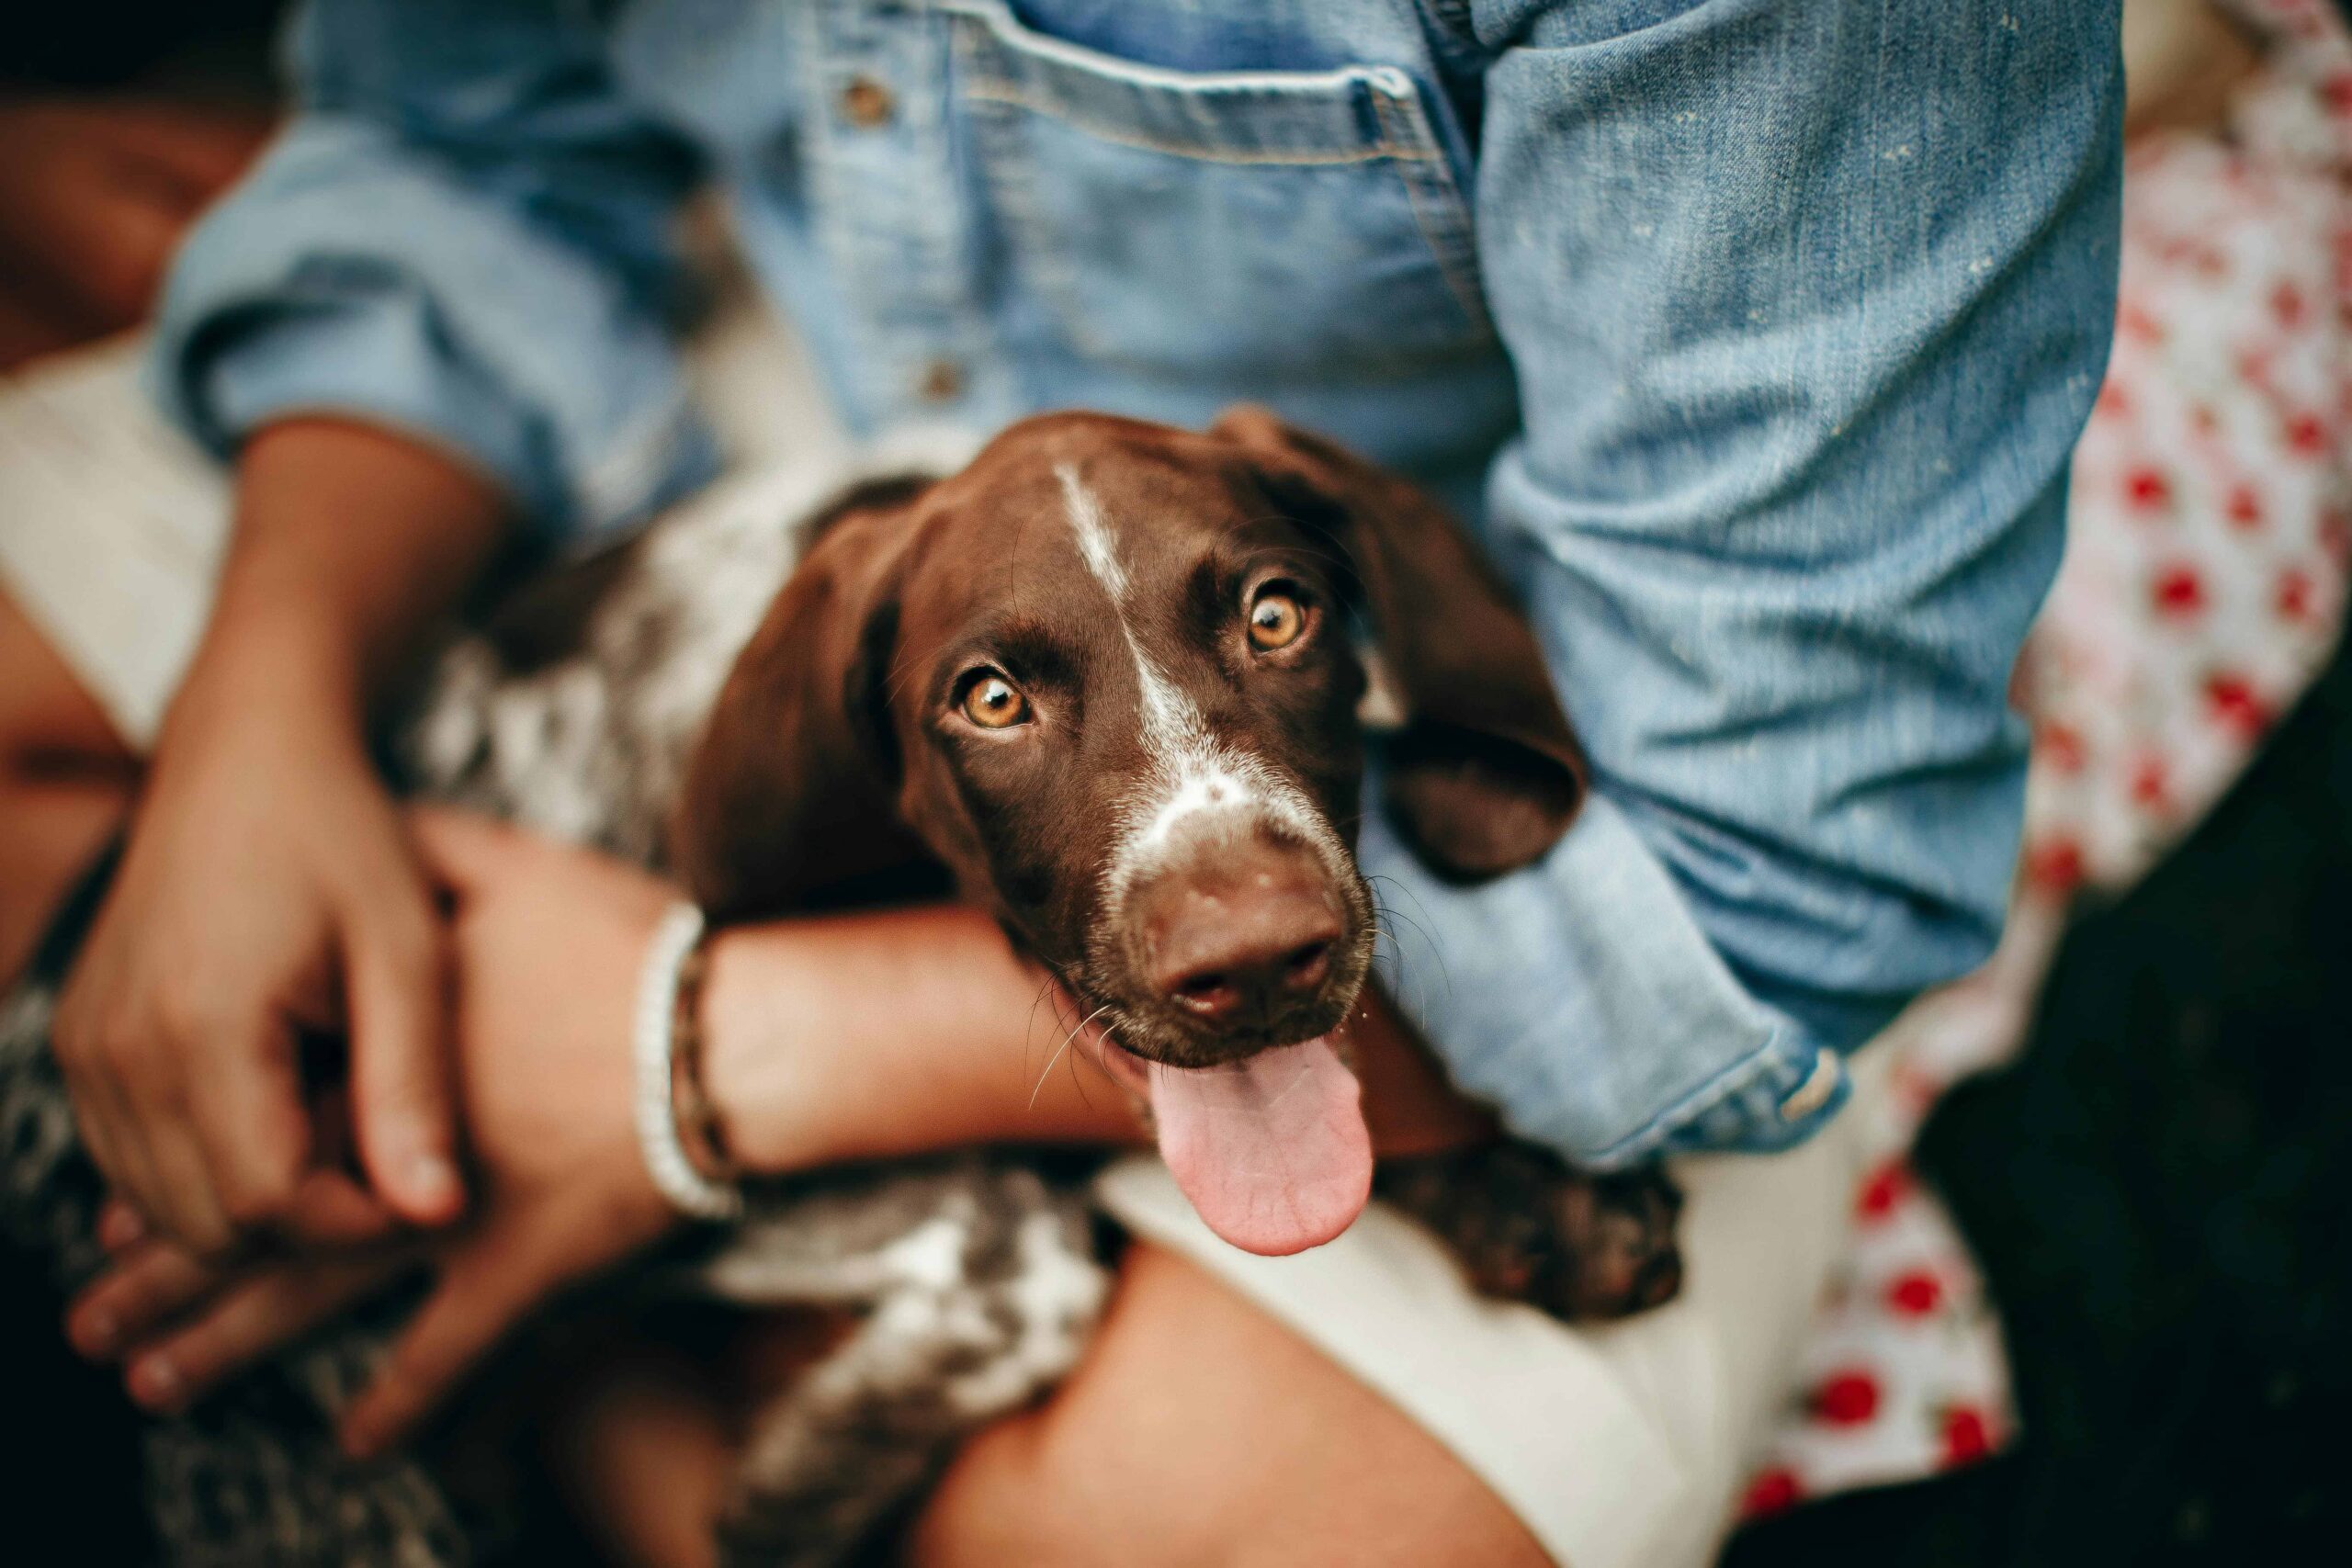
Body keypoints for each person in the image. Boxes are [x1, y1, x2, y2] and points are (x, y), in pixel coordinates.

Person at [0, 2, 2123, 1562]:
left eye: (1268, 625)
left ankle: (572, 1349)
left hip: (1524, 585)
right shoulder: (825, 644)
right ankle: (540, 1275)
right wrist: (249, 741)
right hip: (749, 427)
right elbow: (462, 166)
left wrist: (675, 1059)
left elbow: (1768, 873)